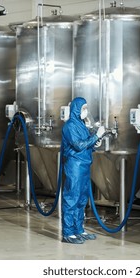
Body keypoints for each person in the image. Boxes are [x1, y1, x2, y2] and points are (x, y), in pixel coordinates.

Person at [61, 97, 105, 244]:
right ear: (76, 109)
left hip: (84, 165)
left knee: (81, 199)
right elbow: (78, 145)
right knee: (72, 198)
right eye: (83, 108)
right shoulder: (70, 126)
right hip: (75, 166)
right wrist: (96, 136)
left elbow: (86, 144)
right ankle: (68, 232)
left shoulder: (81, 124)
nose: (86, 111)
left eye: (86, 108)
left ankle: (78, 229)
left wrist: (95, 143)